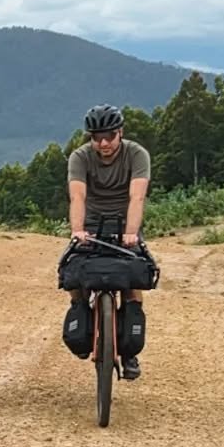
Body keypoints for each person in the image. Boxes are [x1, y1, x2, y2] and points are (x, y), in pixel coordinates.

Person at [65, 103, 152, 380]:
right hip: (90, 225)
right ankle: (82, 321)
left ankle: (129, 351)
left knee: (132, 278)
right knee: (74, 272)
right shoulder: (79, 157)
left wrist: (131, 233)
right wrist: (77, 230)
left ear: (120, 133)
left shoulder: (137, 154)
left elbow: (137, 197)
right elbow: (77, 196)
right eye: (96, 137)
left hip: (126, 223)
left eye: (109, 136)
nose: (103, 143)